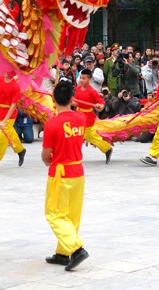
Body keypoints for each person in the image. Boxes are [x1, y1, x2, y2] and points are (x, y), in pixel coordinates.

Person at [42, 80, 89, 271]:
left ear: (53, 99)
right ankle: (63, 252)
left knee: (53, 213)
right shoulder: (81, 119)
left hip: (60, 172)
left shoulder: (52, 124)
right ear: (72, 98)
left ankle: (76, 249)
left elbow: (46, 155)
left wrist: (49, 162)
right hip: (77, 170)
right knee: (72, 215)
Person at [0, 72, 26, 171]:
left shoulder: (15, 86)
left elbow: (13, 105)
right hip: (0, 111)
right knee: (10, 132)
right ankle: (21, 150)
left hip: (9, 115)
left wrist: (4, 121)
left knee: (1, 137)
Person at [74, 69, 113, 164]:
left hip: (87, 117)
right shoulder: (78, 89)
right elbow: (75, 102)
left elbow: (101, 103)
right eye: (81, 78)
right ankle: (107, 148)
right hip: (78, 115)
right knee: (87, 136)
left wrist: (100, 107)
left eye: (84, 78)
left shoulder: (92, 91)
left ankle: (74, 156)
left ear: (89, 79)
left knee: (82, 135)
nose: (81, 80)